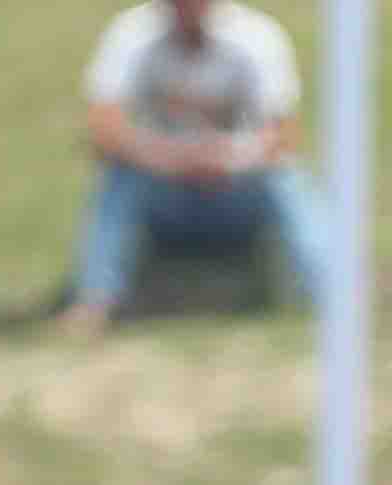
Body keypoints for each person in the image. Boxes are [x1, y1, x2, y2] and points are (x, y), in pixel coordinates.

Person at [59, 0, 324, 338]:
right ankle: (94, 302)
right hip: (162, 190)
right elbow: (102, 132)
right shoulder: (131, 33)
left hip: (237, 188)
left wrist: (223, 160)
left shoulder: (258, 36)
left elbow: (282, 138)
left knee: (288, 180)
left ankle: (331, 295)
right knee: (119, 179)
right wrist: (174, 159)